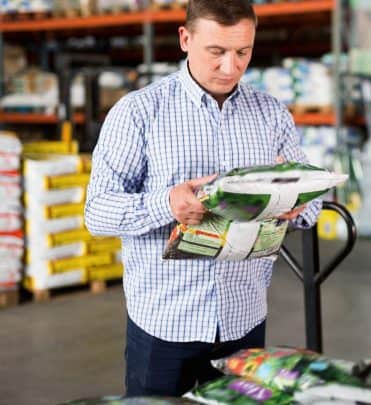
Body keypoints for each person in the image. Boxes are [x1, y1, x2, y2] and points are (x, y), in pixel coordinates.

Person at [85, 0, 321, 397]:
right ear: (185, 38)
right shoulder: (139, 113)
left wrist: (295, 205)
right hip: (165, 321)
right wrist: (167, 204)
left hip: (243, 320)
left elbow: (311, 206)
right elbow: (97, 212)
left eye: (242, 52)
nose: (230, 67)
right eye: (217, 52)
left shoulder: (271, 115)